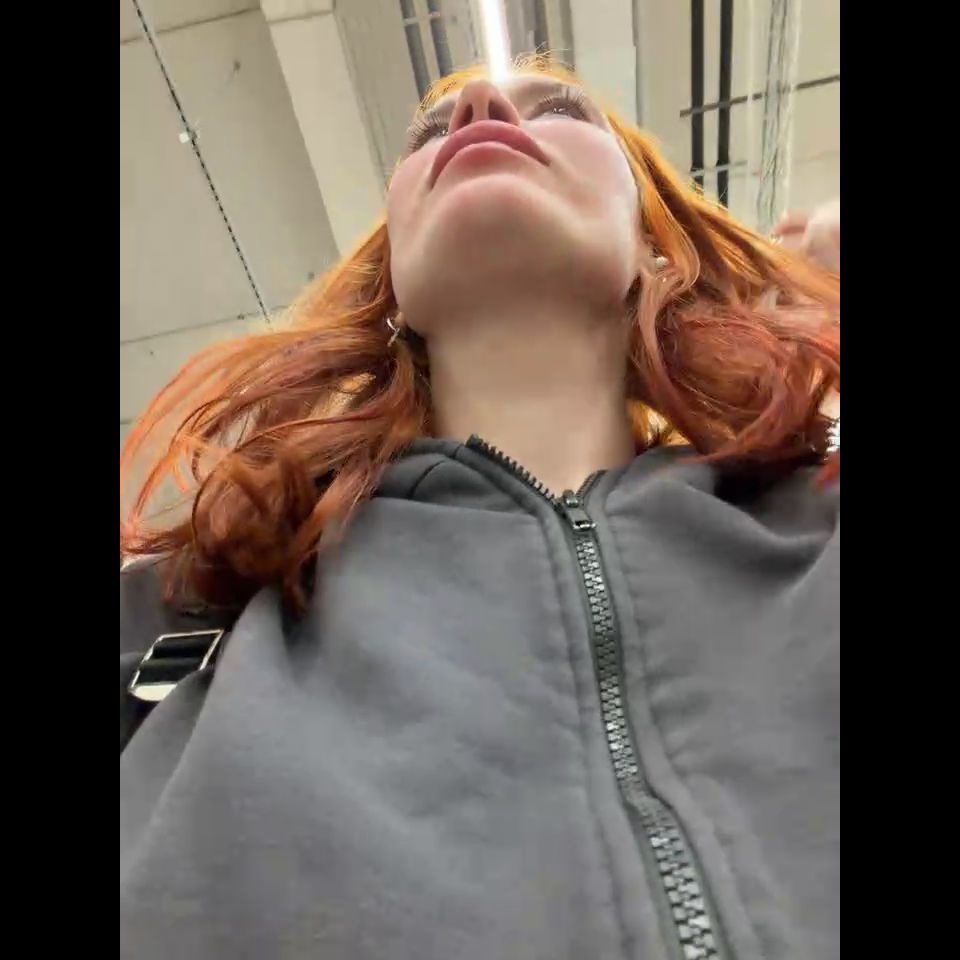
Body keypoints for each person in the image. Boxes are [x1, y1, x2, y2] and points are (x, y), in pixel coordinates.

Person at [121, 56, 839, 960]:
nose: (479, 105)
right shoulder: (191, 611)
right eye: (429, 133)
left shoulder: (820, 523)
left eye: (562, 111)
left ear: (652, 249)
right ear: (394, 285)